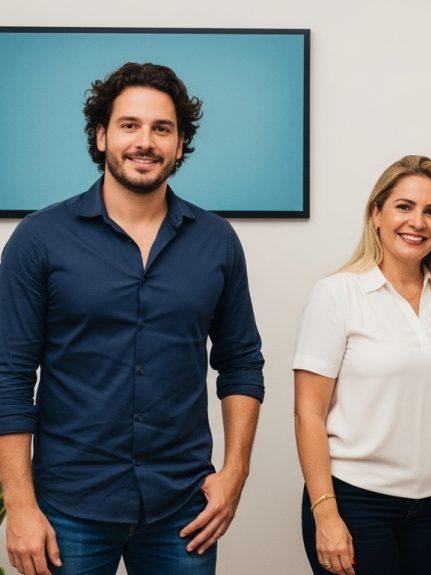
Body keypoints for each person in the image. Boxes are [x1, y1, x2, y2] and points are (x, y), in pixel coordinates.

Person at [0, 63, 265, 575]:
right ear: (101, 136)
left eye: (161, 128)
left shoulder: (217, 241)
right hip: (66, 509)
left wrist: (235, 473)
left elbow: (241, 363)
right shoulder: (38, 239)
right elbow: (9, 378)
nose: (145, 142)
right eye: (129, 125)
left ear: (180, 143)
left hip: (183, 507)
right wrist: (22, 507)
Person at [293, 155, 431, 575]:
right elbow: (308, 412)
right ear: (376, 213)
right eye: (404, 206)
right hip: (358, 501)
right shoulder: (337, 295)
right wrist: (325, 515)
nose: (418, 222)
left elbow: (426, 376)